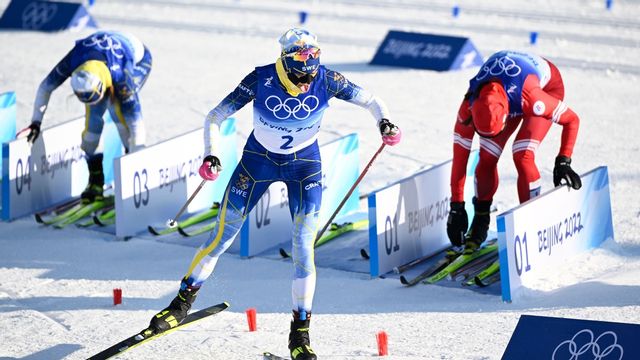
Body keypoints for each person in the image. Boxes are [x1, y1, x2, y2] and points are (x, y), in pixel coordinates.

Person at [146, 28, 401, 360]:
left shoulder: (328, 79)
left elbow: (371, 101)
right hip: (257, 164)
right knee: (220, 237)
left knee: (303, 249)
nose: (308, 80)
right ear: (285, 62)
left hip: (304, 167)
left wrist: (386, 123)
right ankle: (180, 304)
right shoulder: (261, 78)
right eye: (301, 70)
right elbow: (215, 116)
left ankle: (300, 334)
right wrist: (212, 154)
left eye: (313, 67)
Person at [447, 50, 582, 254]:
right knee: (487, 156)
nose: (490, 138)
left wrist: (563, 160)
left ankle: (531, 223)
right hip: (504, 93)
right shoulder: (468, 106)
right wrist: (456, 206)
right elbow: (460, 159)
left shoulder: (534, 99)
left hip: (543, 87)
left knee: (523, 154)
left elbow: (572, 120)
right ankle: (481, 219)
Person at [25, 31, 152, 203]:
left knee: (119, 113)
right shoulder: (72, 62)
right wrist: (36, 122)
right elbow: (45, 87)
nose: (92, 103)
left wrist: (136, 157)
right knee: (92, 130)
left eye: (94, 97)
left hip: (137, 59)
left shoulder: (121, 78)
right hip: (97, 62)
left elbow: (136, 123)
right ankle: (95, 181)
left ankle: (130, 180)